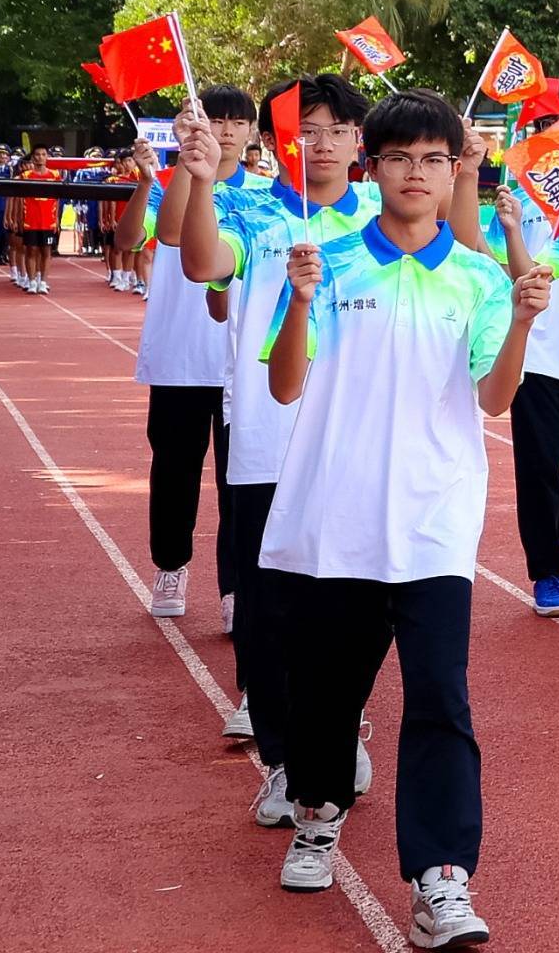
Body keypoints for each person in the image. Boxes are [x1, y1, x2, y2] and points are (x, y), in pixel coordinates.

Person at [259, 88, 541, 947]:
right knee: (327, 697)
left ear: (454, 167)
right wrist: (300, 301)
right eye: (398, 159)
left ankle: (442, 876)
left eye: (432, 160)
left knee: (441, 700)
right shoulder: (327, 264)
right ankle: (317, 810)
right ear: (369, 167)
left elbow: (494, 400)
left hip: (434, 522)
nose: (415, 175)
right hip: (336, 519)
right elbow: (285, 384)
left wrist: (524, 320)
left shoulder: (480, 279)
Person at [179, 72, 381, 824]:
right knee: (265, 618)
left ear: (360, 141)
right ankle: (283, 757)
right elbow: (203, 265)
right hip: (265, 443)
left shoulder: (382, 223)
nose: (320, 143)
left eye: (335, 130)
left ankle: (338, 729)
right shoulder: (252, 211)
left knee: (348, 610)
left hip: (352, 443)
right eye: (308, 129)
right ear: (282, 141)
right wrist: (200, 183)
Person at [452, 99, 559, 621]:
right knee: (537, 468)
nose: (556, 133)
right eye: (543, 126)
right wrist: (474, 180)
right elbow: (471, 243)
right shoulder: (518, 191)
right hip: (536, 352)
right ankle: (548, 571)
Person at [137, 86, 261, 625]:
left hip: (246, 363)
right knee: (175, 473)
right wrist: (190, 160)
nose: (227, 131)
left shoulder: (266, 193)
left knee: (242, 481)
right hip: (182, 360)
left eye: (238, 122)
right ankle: (170, 565)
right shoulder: (175, 183)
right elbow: (167, 235)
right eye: (218, 120)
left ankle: (236, 588)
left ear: (254, 132)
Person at [12, 145, 60, 293]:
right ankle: (32, 281)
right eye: (37, 154)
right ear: (33, 157)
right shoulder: (25, 176)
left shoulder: (55, 175)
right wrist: (19, 218)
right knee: (31, 250)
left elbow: (57, 199)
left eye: (43, 154)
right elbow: (20, 199)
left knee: (46, 251)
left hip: (48, 220)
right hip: (30, 220)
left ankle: (43, 282)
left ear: (47, 157)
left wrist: (56, 218)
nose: (40, 157)